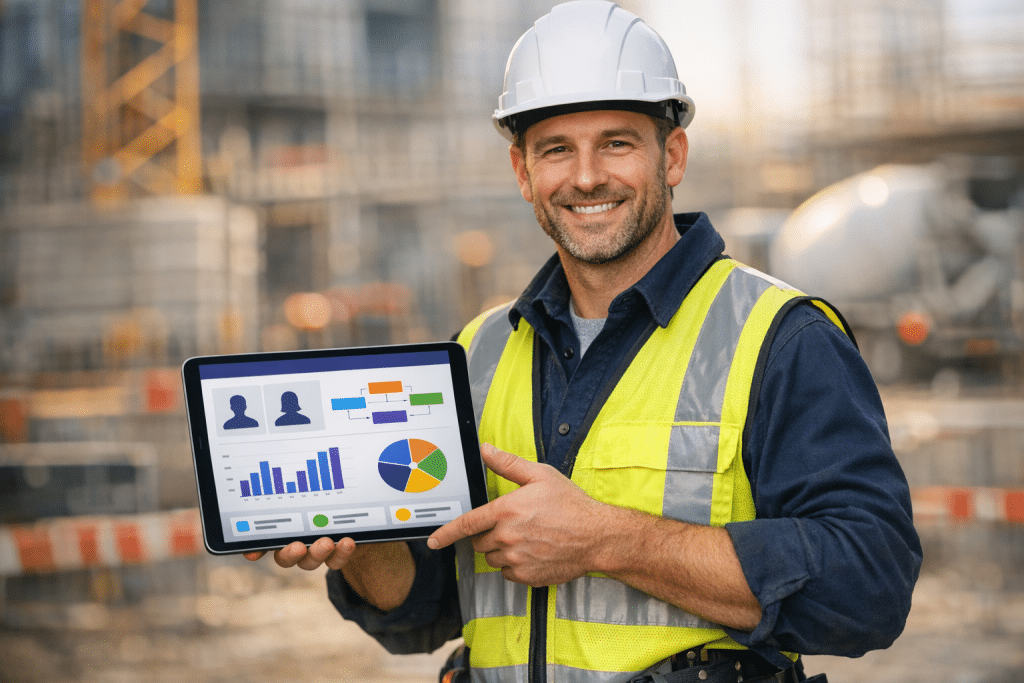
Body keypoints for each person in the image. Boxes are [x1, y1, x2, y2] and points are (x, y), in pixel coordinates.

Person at [245, 3, 922, 682]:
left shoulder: (779, 337)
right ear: (522, 170)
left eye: (617, 143)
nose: (587, 176)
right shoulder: (478, 351)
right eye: (556, 149)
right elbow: (428, 607)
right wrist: (358, 545)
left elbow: (870, 583)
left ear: (673, 155)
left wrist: (606, 539)